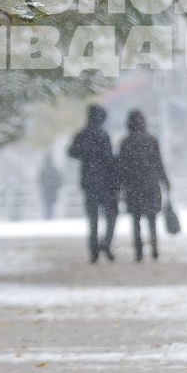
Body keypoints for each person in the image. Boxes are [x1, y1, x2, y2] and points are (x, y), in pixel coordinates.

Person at [67, 104, 119, 262]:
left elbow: (71, 152)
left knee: (93, 218)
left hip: (89, 181)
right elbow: (109, 159)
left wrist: (86, 154)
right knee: (111, 215)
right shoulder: (103, 135)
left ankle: (94, 248)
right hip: (104, 182)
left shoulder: (82, 134)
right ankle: (106, 243)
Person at [115, 110, 170, 262]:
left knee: (136, 220)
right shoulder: (151, 140)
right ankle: (154, 246)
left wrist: (118, 186)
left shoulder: (125, 142)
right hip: (150, 185)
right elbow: (159, 163)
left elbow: (121, 167)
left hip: (133, 186)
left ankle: (139, 251)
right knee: (152, 219)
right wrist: (165, 181)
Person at [37, 153, 64, 220]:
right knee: (50, 204)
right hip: (52, 191)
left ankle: (48, 217)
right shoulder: (54, 170)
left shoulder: (44, 170)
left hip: (47, 191)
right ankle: (49, 216)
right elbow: (59, 180)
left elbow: (40, 180)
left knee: (47, 204)